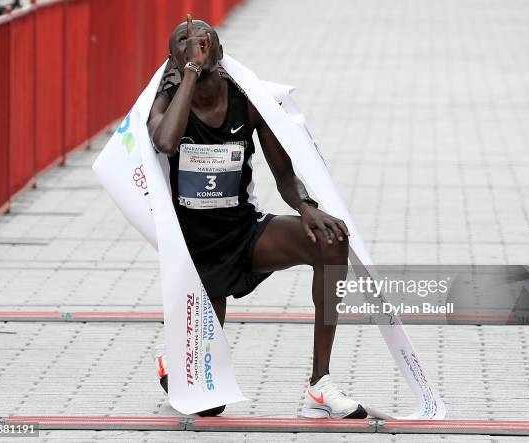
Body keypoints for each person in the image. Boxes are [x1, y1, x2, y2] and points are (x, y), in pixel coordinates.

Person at [147, 14, 367, 419]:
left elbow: (284, 173)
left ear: (221, 51)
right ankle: (173, 358)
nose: (195, 42)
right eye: (184, 41)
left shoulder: (246, 101)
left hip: (244, 233)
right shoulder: (164, 101)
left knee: (333, 241)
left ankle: (321, 383)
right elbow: (164, 141)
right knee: (209, 407)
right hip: (196, 254)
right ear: (173, 61)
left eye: (204, 38)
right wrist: (189, 75)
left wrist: (306, 207)